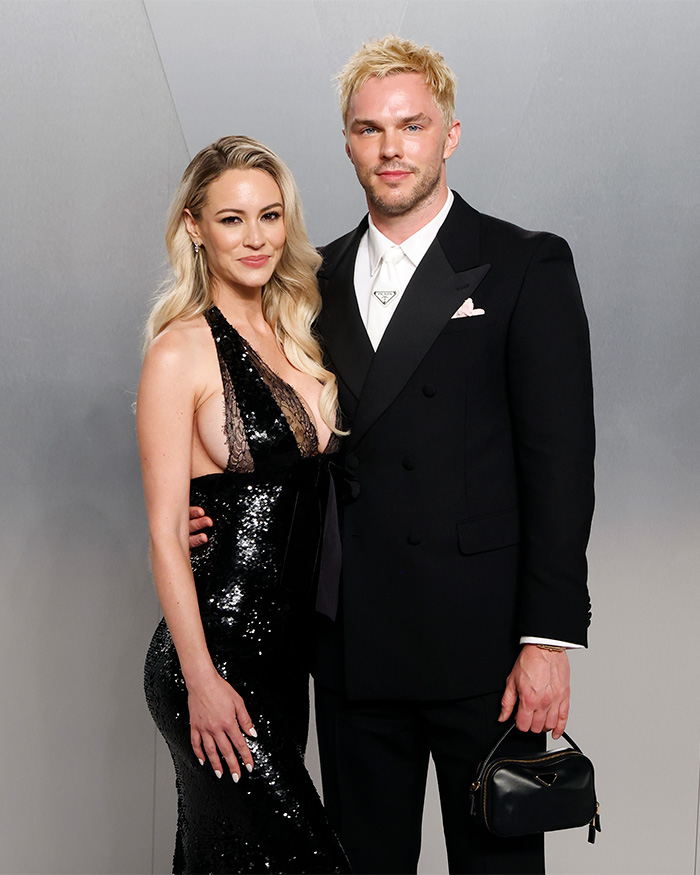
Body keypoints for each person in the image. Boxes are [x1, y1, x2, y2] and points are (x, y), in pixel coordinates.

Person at [189, 36, 595, 875]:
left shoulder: (525, 264)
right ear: (346, 142)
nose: (391, 147)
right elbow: (282, 433)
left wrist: (549, 637)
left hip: (489, 652)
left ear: (450, 134)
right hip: (351, 645)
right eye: (369, 129)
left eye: (412, 126)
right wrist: (218, 507)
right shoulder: (308, 281)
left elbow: (561, 465)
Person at [138, 135, 350, 874]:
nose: (255, 237)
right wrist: (201, 678)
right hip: (214, 656)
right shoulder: (179, 352)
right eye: (232, 219)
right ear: (195, 226)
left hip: (289, 662)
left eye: (269, 216)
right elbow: (167, 531)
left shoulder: (301, 335)